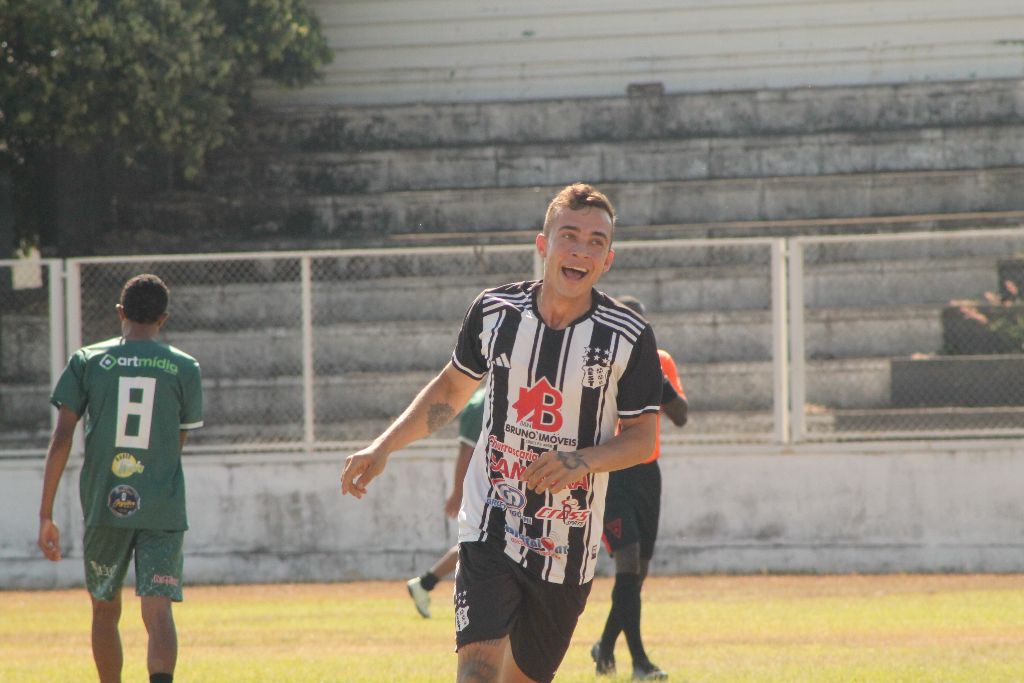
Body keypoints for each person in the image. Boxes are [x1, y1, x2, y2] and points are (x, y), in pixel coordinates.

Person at [341, 182, 664, 683]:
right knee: (476, 672)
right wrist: (384, 446)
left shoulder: (628, 336)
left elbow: (643, 438)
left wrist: (581, 461)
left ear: (608, 259)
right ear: (543, 244)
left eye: (596, 242)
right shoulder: (495, 312)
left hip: (568, 542)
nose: (581, 250)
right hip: (491, 520)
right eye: (569, 236)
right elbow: (451, 390)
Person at [37, 274, 204, 683]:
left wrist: (46, 514)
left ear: (120, 312)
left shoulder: (87, 360)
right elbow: (176, 442)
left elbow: (62, 438)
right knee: (158, 610)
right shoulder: (185, 367)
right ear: (163, 319)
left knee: (104, 607)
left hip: (105, 502)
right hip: (162, 505)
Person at [591, 295, 688, 680]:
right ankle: (640, 663)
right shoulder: (599, 363)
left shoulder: (661, 361)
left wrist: (658, 381)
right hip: (612, 474)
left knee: (638, 573)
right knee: (628, 564)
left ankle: (604, 646)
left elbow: (681, 416)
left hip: (647, 474)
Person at [407, 385, 486, 618]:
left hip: (496, 487)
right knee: (481, 543)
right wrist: (458, 492)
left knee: (481, 542)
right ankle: (426, 583)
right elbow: (466, 451)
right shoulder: (483, 403)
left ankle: (425, 583)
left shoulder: (485, 398)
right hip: (488, 489)